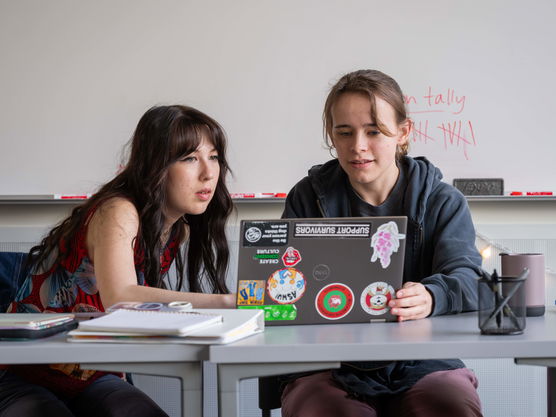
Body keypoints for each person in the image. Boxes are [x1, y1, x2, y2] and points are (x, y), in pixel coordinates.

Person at [0, 105, 236, 417]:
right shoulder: (118, 210)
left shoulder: (177, 231)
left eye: (214, 156)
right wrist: (225, 301)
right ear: (156, 165)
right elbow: (121, 298)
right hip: (20, 373)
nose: (208, 172)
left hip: (92, 375)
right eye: (190, 158)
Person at [280, 70, 484, 417]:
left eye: (373, 131)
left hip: (426, 359)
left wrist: (432, 295)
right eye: (344, 132)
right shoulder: (307, 197)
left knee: (447, 408)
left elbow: (468, 277)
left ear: (404, 132)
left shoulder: (442, 201)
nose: (357, 145)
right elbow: (284, 280)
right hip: (329, 362)